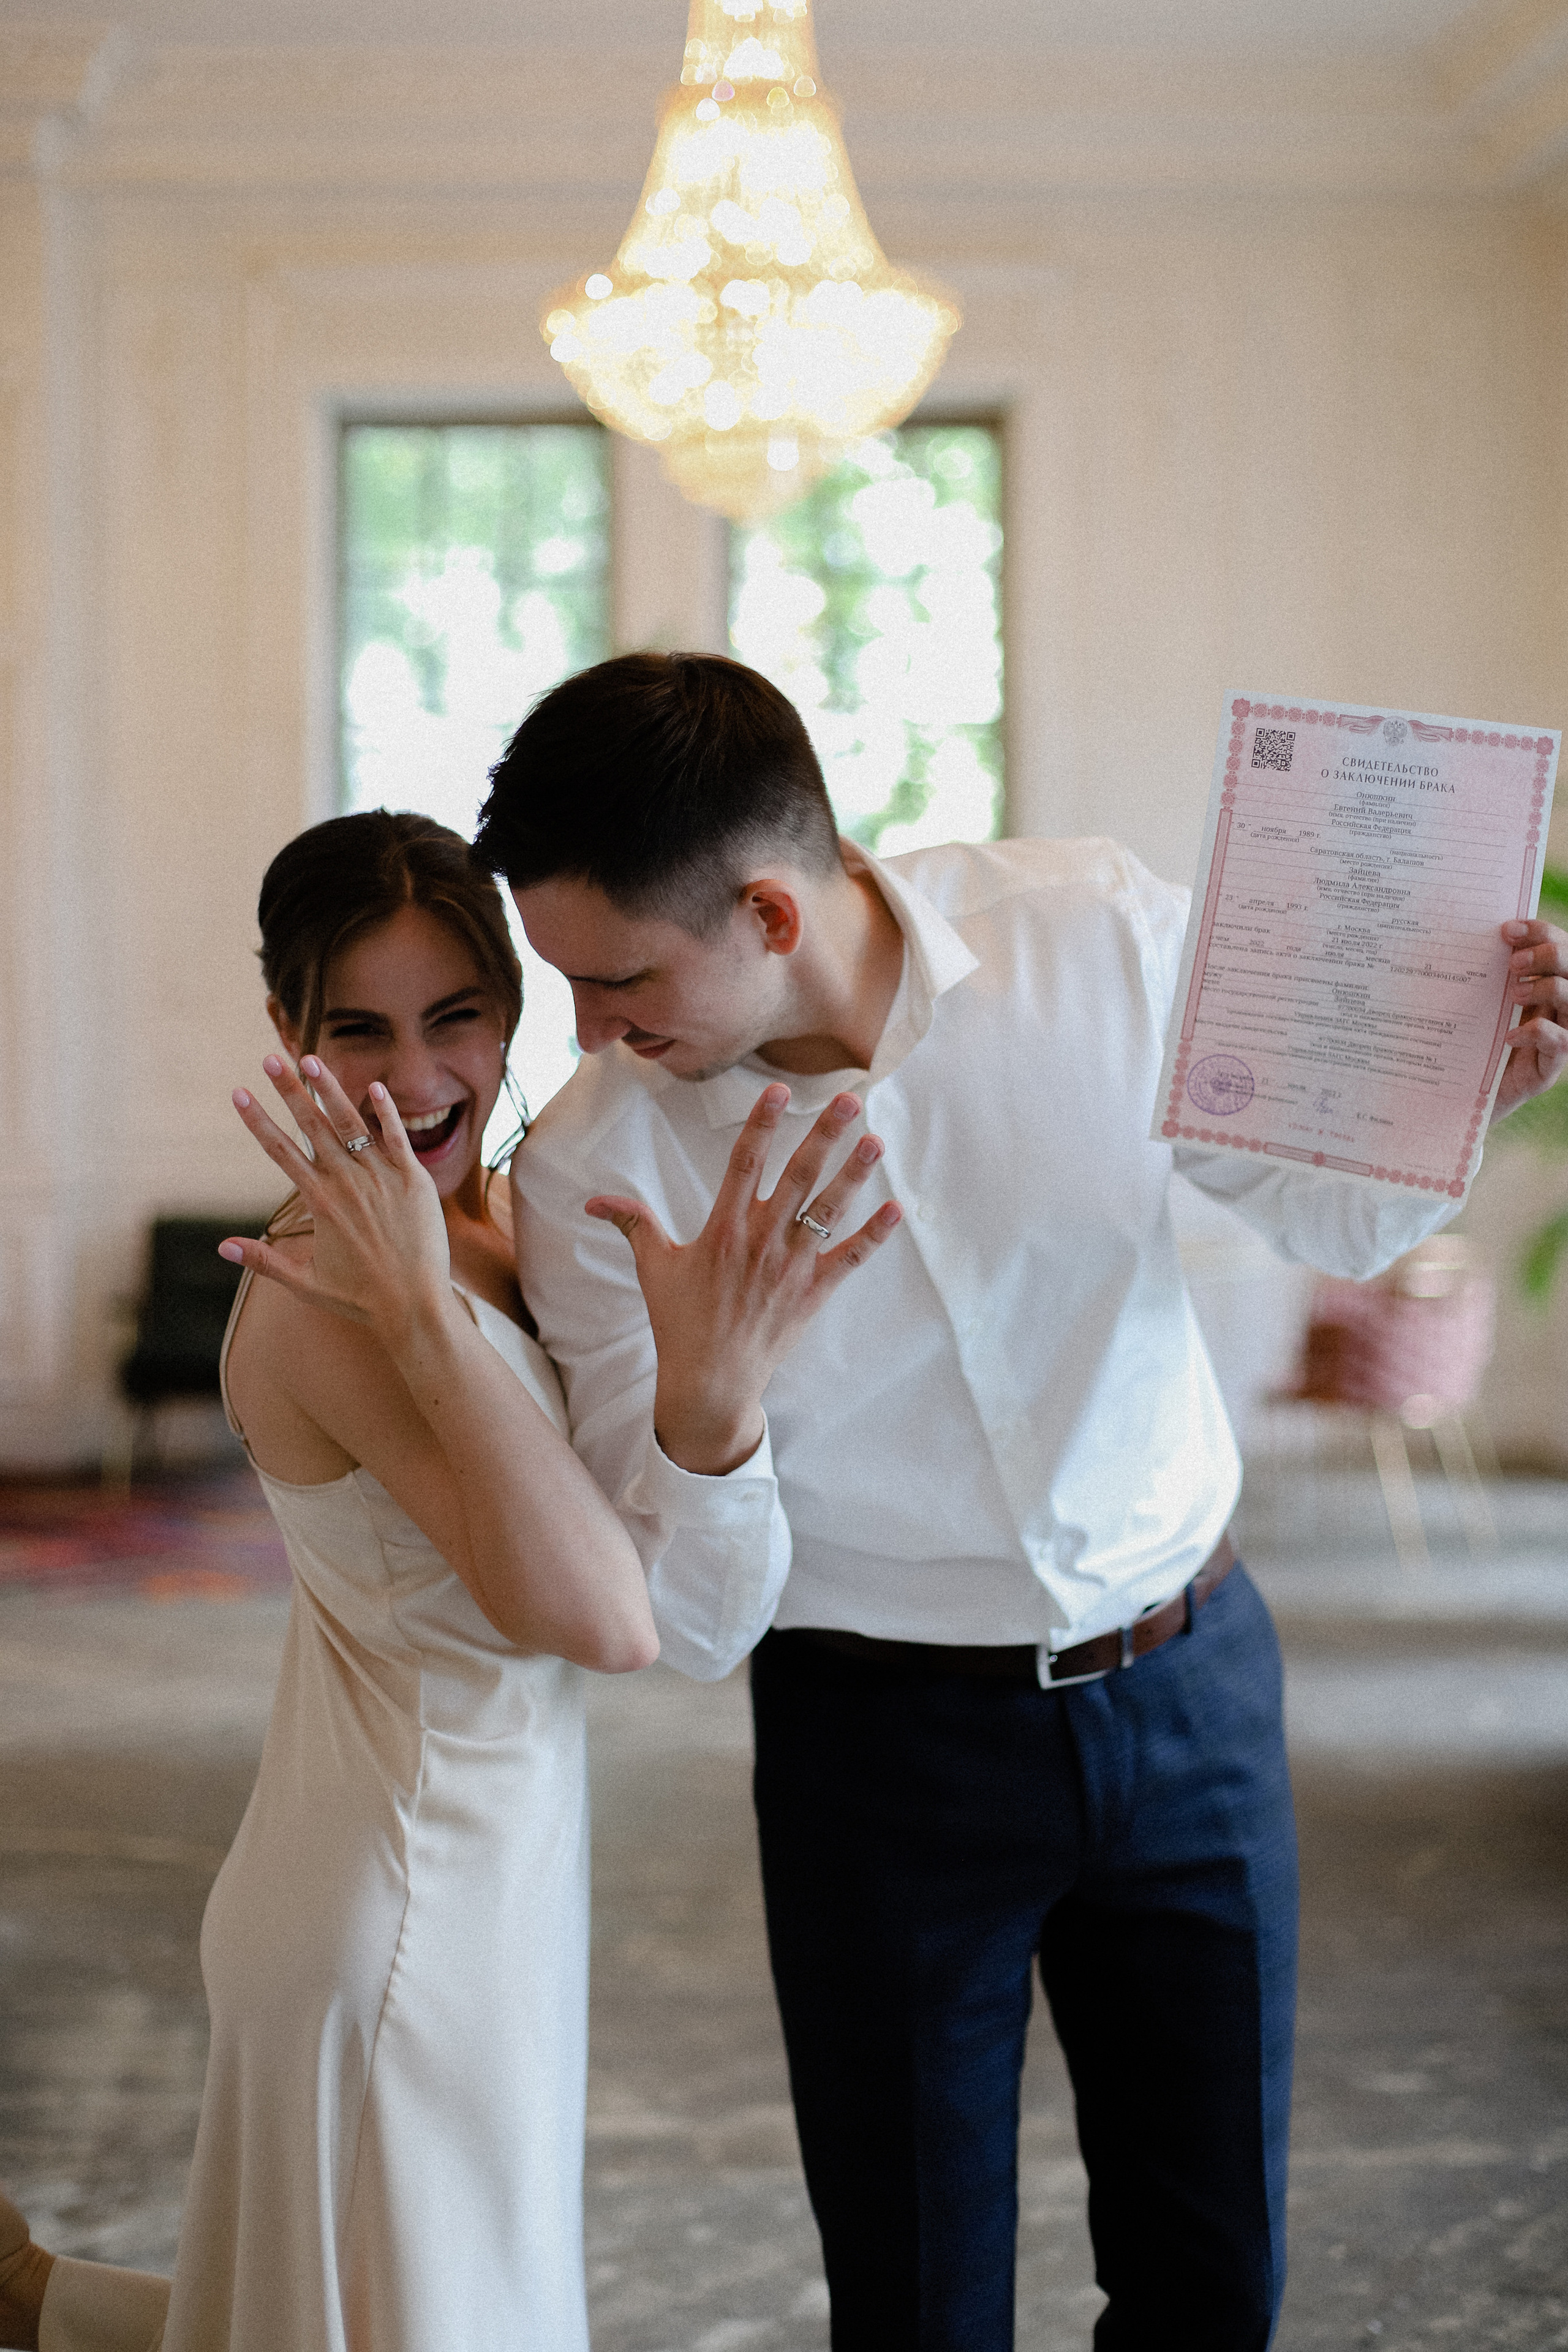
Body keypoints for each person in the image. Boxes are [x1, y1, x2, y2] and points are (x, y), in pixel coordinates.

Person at [472, 650, 1568, 2352]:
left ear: (770, 908)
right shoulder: (597, 1171)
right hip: (879, 1754)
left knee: (1217, 2282)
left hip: (1193, 1685)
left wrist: (1455, 1103)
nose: (592, 1034)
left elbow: (1321, 1217)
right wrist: (710, 1408)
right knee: (917, 2306)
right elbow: (689, 1624)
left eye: (618, 981)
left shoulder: (1103, 936)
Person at [0, 809, 898, 2352]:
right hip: (394, 1894)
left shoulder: (496, 1214)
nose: (416, 1080)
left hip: (490, 1857)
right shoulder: (334, 1296)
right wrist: (420, 1313)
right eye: (357, 1028)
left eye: (454, 1018)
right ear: (287, 1031)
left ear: (512, 1009)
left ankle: (34, 2300)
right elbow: (609, 1618)